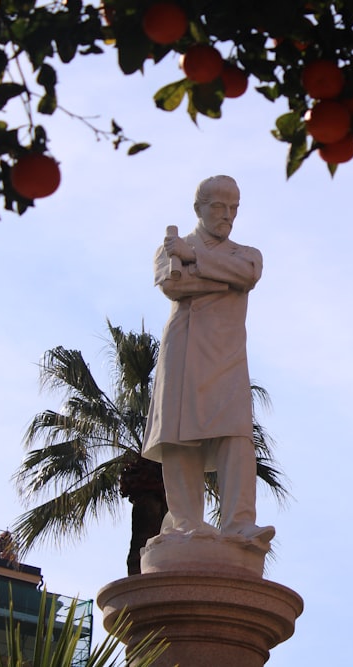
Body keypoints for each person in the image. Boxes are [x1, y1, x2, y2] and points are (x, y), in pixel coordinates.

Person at [143, 175, 274, 544]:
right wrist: (219, 279)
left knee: (237, 435)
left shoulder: (246, 254)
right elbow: (174, 286)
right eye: (219, 207)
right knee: (179, 438)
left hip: (228, 353)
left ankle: (240, 524)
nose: (228, 215)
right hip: (183, 349)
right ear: (198, 208)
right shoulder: (171, 246)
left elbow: (247, 275)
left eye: (234, 208)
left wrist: (194, 260)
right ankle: (185, 521)